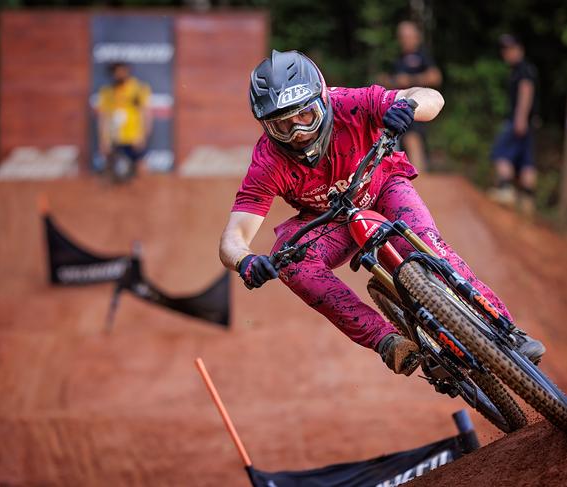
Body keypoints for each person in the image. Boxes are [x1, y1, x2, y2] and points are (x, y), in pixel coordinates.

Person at [219, 50, 545, 376]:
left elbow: (431, 96)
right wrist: (245, 261)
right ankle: (387, 340)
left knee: (426, 244)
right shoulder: (268, 161)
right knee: (290, 260)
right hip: (333, 221)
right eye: (281, 125)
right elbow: (233, 238)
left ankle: (505, 328)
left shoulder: (353, 103)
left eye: (304, 116)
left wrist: (409, 106)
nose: (297, 133)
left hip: (384, 186)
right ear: (265, 126)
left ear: (323, 99)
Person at [379, 21, 442, 171]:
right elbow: (390, 79)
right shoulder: (398, 59)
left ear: (416, 37)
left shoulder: (422, 56)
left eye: (408, 36)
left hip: (417, 105)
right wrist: (389, 81)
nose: (405, 40)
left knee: (413, 138)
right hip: (398, 104)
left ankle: (420, 179)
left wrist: (411, 80)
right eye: (402, 36)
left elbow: (436, 77)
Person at [488, 34, 538, 216]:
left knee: (500, 153)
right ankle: (528, 203)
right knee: (526, 162)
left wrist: (520, 118)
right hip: (530, 123)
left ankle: (506, 190)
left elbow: (526, 90)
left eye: (510, 49)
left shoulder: (522, 70)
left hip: (517, 120)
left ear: (519, 49)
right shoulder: (525, 69)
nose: (506, 54)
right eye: (504, 50)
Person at [95, 62, 153, 178]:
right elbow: (103, 117)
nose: (119, 75)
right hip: (114, 137)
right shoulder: (106, 92)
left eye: (122, 71)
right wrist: (103, 139)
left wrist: (142, 135)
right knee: (112, 172)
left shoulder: (139, 89)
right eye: (116, 72)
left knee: (141, 169)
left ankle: (144, 194)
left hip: (133, 136)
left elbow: (146, 114)